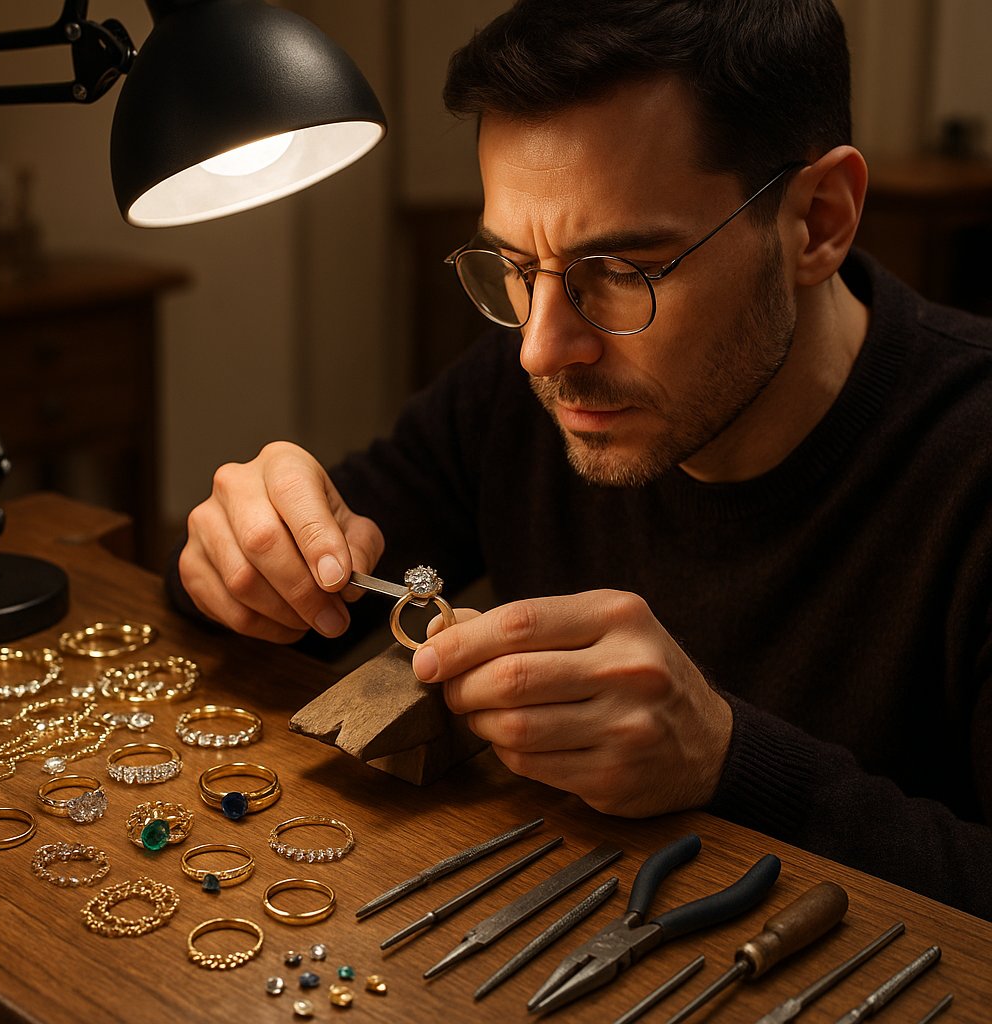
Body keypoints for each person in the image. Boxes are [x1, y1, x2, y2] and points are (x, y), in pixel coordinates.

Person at [168, 0, 992, 919]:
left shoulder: (970, 465)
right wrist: (239, 553)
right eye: (515, 266)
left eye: (623, 273)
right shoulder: (524, 380)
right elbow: (314, 561)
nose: (541, 350)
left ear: (817, 221)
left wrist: (728, 761)